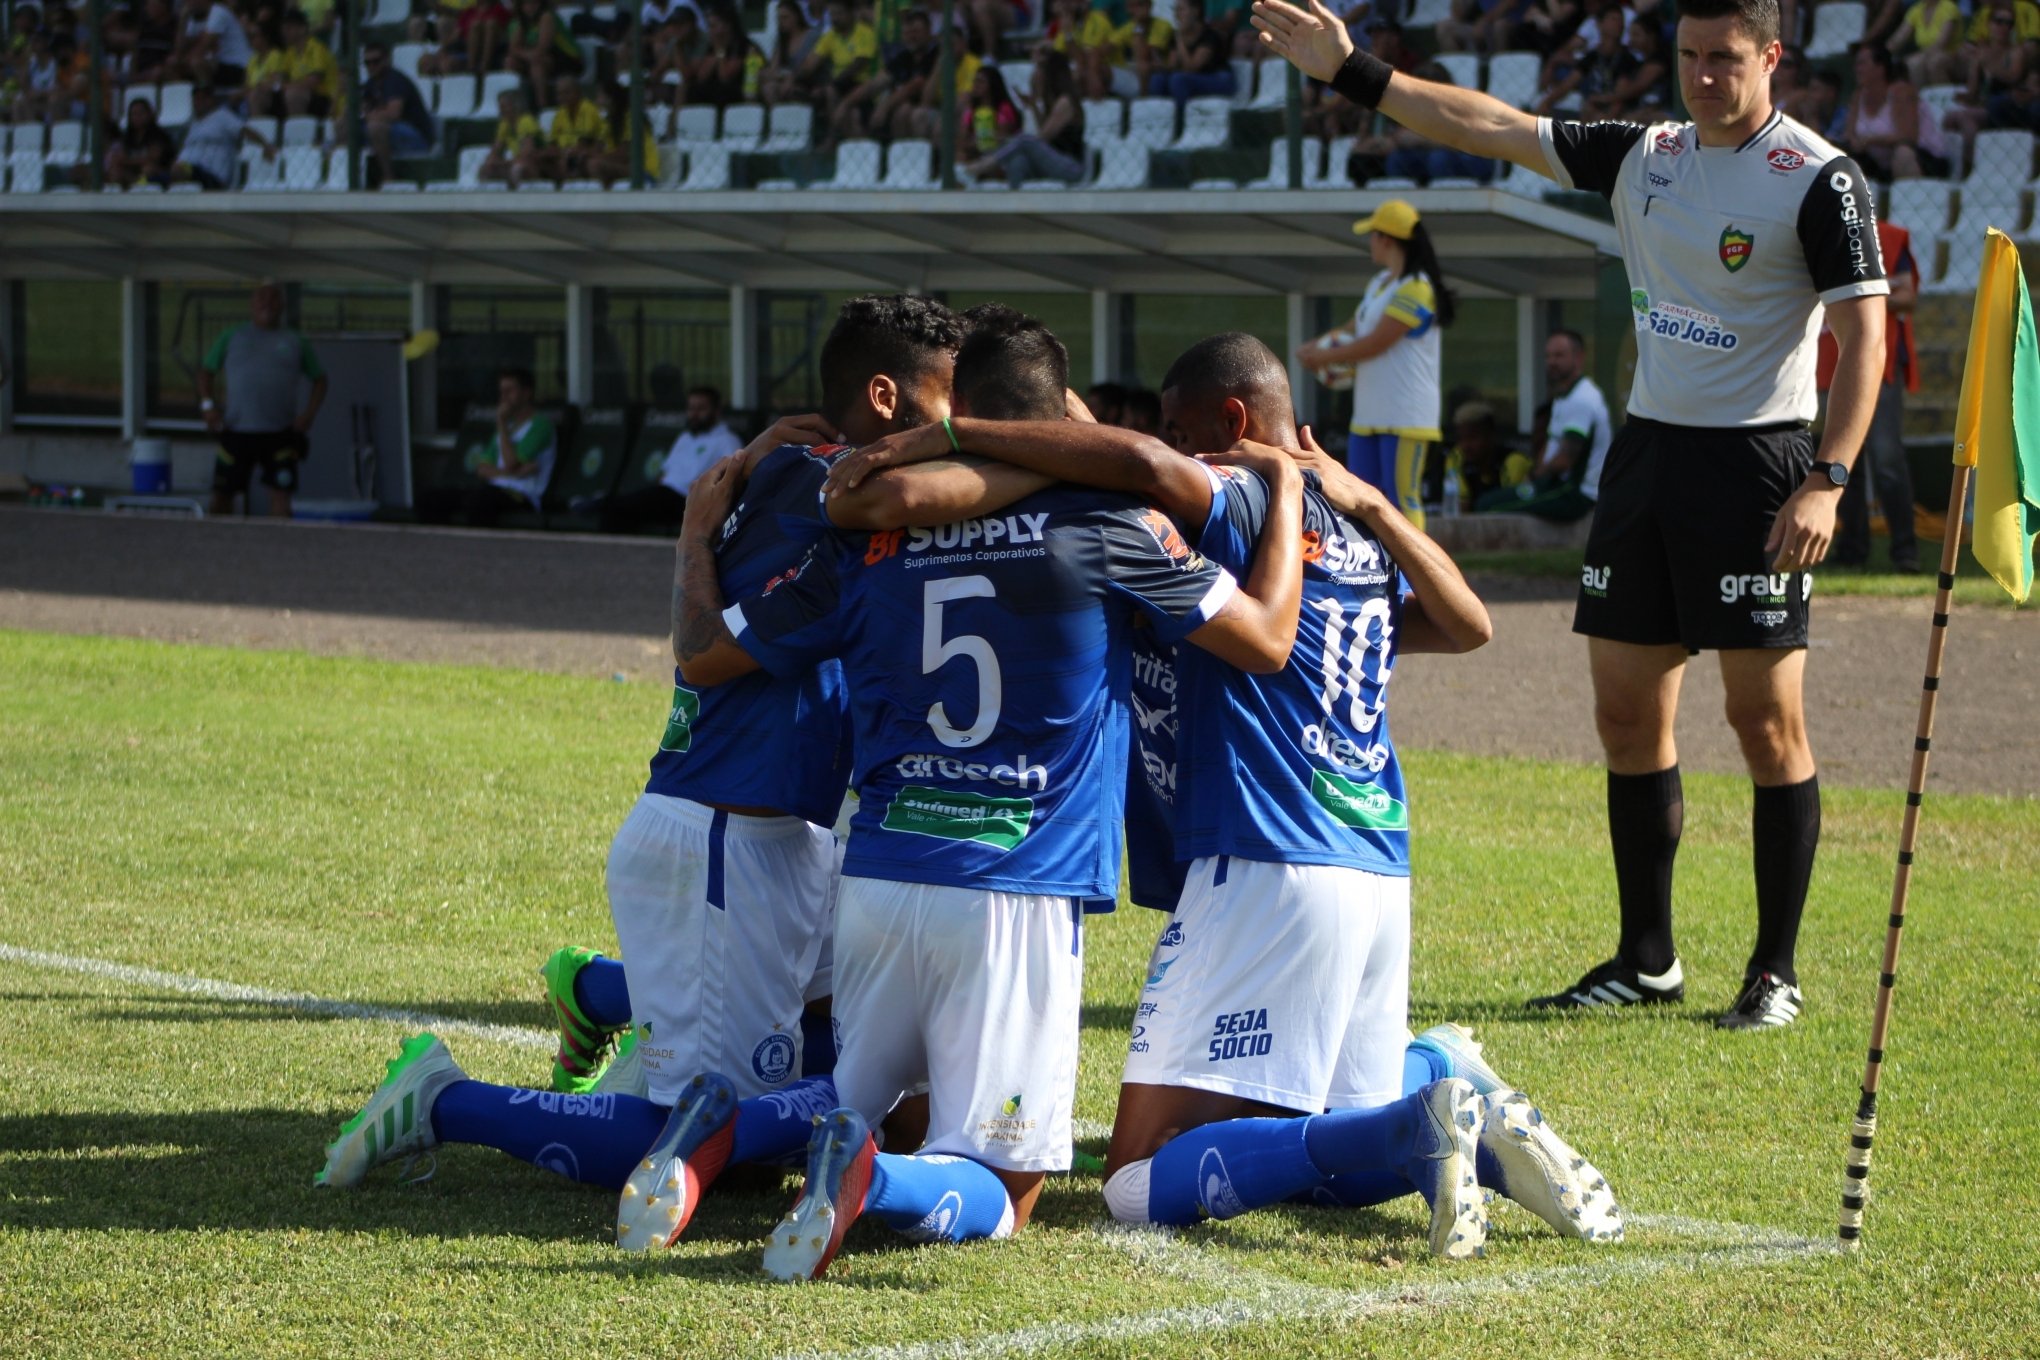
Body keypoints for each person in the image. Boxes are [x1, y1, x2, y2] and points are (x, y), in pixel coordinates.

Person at [824, 333, 1617, 1257]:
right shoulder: (1353, 520)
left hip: (1267, 851)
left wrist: (951, 434)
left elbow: (1146, 468)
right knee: (1328, 1156)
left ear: (1232, 423)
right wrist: (1374, 502)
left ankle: (1424, 1112)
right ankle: (1440, 1074)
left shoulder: (1239, 491)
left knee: (1134, 1177)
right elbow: (1468, 624)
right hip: (1375, 858)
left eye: (1178, 424)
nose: (1169, 444)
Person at [318, 299, 1058, 1234]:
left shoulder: (791, 465)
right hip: (721, 839)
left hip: (790, 838)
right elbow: (703, 650)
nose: (966, 420)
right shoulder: (825, 483)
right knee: (695, 1146)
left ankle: (600, 992)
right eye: (949, 397)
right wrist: (691, 534)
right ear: (884, 396)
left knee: (873, 1055)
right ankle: (442, 1098)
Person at [1253, 0, 1889, 1028]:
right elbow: (1490, 126)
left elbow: (1865, 339)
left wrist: (1830, 477)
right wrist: (1353, 71)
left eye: (1725, 59)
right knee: (1627, 714)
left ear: (1772, 56)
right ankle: (1647, 960)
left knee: (1764, 721)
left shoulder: (1820, 178)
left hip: (1761, 466)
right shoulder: (1647, 152)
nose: (1702, 78)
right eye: (1688, 57)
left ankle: (1776, 970)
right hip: (1647, 460)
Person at [663, 309, 1306, 1280]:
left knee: (870, 1092)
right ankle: (868, 1182)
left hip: (878, 875)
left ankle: (728, 1131)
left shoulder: (874, 529)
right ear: (1057, 413)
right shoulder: (1106, 525)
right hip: (1015, 883)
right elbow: (1261, 637)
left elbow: (711, 648)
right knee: (1008, 1191)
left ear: (956, 408)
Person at [1297, 199, 1455, 530]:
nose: (1369, 242)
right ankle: (1371, 569)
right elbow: (1355, 328)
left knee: (1402, 497)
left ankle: (1412, 578)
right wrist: (1318, 345)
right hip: (1369, 411)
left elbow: (1378, 341)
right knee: (1361, 494)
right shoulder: (1381, 282)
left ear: (1388, 239)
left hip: (1406, 414)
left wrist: (1324, 358)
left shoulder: (1417, 287)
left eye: (1373, 235)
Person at [1824, 211, 1920, 571]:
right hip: (1831, 364)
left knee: (1887, 459)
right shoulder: (1821, 233)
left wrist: (1857, 296)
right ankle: (1852, 550)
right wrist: (1881, 289)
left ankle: (1905, 550)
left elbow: (1907, 295)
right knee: (1842, 460)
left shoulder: (1890, 238)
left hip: (1881, 366)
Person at [202, 281, 327, 519]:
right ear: (252, 304)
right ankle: (216, 547)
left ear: (282, 305)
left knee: (281, 495)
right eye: (262, 297)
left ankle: (279, 550)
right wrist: (208, 406)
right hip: (236, 429)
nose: (267, 303)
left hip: (278, 432)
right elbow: (206, 371)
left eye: (273, 298)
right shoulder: (232, 336)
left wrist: (309, 415)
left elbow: (320, 379)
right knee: (221, 496)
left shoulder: (294, 341)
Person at [1475, 328, 1612, 522]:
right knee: (1492, 499)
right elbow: (1551, 445)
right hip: (1553, 484)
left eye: (1559, 356)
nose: (1552, 362)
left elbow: (1565, 460)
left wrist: (1533, 476)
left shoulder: (1583, 399)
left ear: (1579, 358)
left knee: (1489, 505)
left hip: (1574, 494)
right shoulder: (1564, 395)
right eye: (1548, 356)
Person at [416, 367, 557, 527]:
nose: (504, 397)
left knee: (479, 501)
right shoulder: (508, 427)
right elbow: (482, 469)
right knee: (430, 498)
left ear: (526, 393)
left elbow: (511, 463)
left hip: (523, 495)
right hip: (494, 488)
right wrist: (510, 473)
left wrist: (501, 423)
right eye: (502, 391)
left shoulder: (540, 426)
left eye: (510, 391)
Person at [596, 385, 744, 533]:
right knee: (618, 508)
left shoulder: (727, 440)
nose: (694, 414)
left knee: (618, 509)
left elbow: (732, 477)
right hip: (664, 494)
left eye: (701, 409)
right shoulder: (685, 438)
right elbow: (665, 473)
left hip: (688, 501)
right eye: (691, 408)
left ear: (716, 411)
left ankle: (595, 504)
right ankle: (598, 504)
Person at [966, 47, 1086, 183]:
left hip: (1070, 165)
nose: (1035, 73)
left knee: (1024, 140)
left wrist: (1010, 141)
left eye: (1040, 68)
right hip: (1052, 160)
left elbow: (1042, 138)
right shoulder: (1053, 102)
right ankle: (1014, 198)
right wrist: (1033, 104)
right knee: (1018, 161)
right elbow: (1043, 132)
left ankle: (982, 166)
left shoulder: (1065, 102)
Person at [1840, 41, 1949, 180]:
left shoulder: (1901, 92)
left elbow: (1907, 137)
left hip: (1924, 159)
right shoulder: (1858, 95)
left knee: (1903, 152)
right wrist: (1854, 142)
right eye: (1856, 64)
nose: (1857, 69)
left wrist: (1868, 141)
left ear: (1880, 68)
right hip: (1882, 164)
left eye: (1862, 63)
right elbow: (1849, 134)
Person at [169, 82, 276, 190]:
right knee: (155, 176)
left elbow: (244, 131)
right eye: (195, 99)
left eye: (202, 98)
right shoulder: (193, 125)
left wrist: (265, 144)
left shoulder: (222, 116)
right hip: (190, 172)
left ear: (210, 100)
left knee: (178, 170)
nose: (198, 102)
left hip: (212, 176)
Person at [360, 39, 435, 187]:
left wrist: (372, 115)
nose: (372, 66)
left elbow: (394, 114)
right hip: (393, 133)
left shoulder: (395, 80)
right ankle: (348, 179)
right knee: (345, 125)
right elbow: (364, 110)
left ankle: (389, 177)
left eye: (376, 61)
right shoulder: (370, 84)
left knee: (375, 127)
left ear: (387, 60)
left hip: (416, 136)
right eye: (367, 63)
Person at [1150, 0, 1237, 106]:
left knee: (1178, 79)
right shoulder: (1176, 36)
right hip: (1193, 78)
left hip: (1218, 78)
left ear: (1195, 11)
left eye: (1181, 10)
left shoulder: (1209, 36)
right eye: (1175, 10)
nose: (1177, 14)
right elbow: (1173, 65)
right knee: (1158, 79)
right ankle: (1160, 117)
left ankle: (1180, 118)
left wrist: (1180, 39)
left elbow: (1191, 68)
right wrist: (1160, 64)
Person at [480, 87, 540, 185]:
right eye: (500, 107)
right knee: (486, 170)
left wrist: (505, 163)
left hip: (535, 163)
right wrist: (491, 161)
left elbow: (527, 153)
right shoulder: (504, 125)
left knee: (517, 169)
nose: (501, 111)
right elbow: (496, 150)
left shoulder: (526, 121)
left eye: (504, 107)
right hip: (516, 161)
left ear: (515, 106)